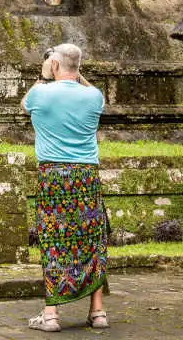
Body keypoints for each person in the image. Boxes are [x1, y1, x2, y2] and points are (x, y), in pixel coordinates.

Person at [23, 43, 109, 332]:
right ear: (79, 67)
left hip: (53, 175)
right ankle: (98, 313)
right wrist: (71, 70)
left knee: (53, 241)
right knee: (93, 240)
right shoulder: (94, 96)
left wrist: (47, 75)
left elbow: (25, 105)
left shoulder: (39, 93)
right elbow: (84, 86)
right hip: (86, 176)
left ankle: (51, 316)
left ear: (55, 65)